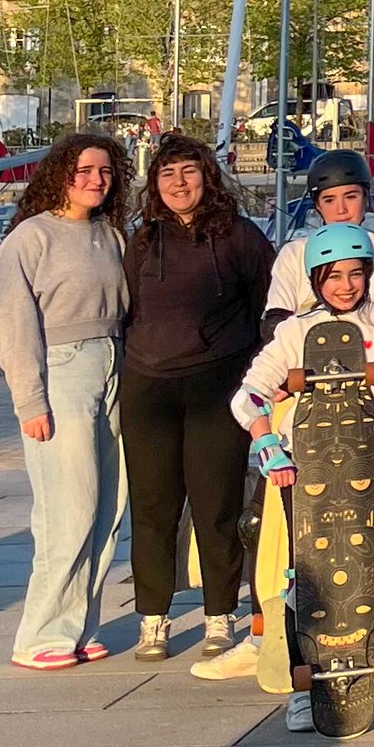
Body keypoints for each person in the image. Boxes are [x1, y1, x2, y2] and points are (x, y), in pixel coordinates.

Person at [233, 219, 374, 731]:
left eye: (355, 274)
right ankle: (308, 685)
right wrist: (270, 447)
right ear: (315, 279)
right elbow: (247, 396)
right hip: (305, 473)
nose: (345, 285)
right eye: (333, 276)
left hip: (365, 470)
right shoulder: (294, 331)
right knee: (306, 581)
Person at [120, 130, 273, 670]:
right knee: (153, 507)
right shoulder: (141, 241)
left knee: (216, 507)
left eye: (188, 172)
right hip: (148, 387)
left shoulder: (240, 238)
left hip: (216, 387)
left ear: (207, 178)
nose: (178, 183)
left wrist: (253, 379)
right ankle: (152, 618)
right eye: (167, 174)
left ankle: (218, 616)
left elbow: (268, 311)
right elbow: (129, 310)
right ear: (155, 185)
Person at [0, 132, 131, 668]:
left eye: (106, 171)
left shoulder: (110, 235)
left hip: (113, 365)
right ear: (60, 174)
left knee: (107, 507)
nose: (97, 180)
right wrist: (30, 401)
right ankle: (40, 636)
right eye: (85, 170)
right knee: (66, 508)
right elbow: (12, 320)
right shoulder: (31, 238)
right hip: (61, 370)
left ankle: (78, 626)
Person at [262, 148, 374, 325]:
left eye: (351, 197)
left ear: (366, 198)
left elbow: (367, 320)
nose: (341, 209)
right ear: (317, 206)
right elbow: (277, 318)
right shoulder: (293, 253)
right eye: (329, 200)